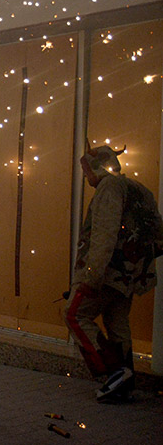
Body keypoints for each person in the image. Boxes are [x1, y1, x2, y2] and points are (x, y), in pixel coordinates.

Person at [63, 145, 163, 403]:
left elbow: (104, 236)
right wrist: (137, 264)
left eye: (87, 172)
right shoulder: (142, 191)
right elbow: (159, 238)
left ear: (97, 167)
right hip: (129, 276)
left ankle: (114, 373)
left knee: (74, 314)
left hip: (107, 272)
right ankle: (124, 382)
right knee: (117, 323)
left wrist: (91, 277)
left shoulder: (110, 188)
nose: (86, 178)